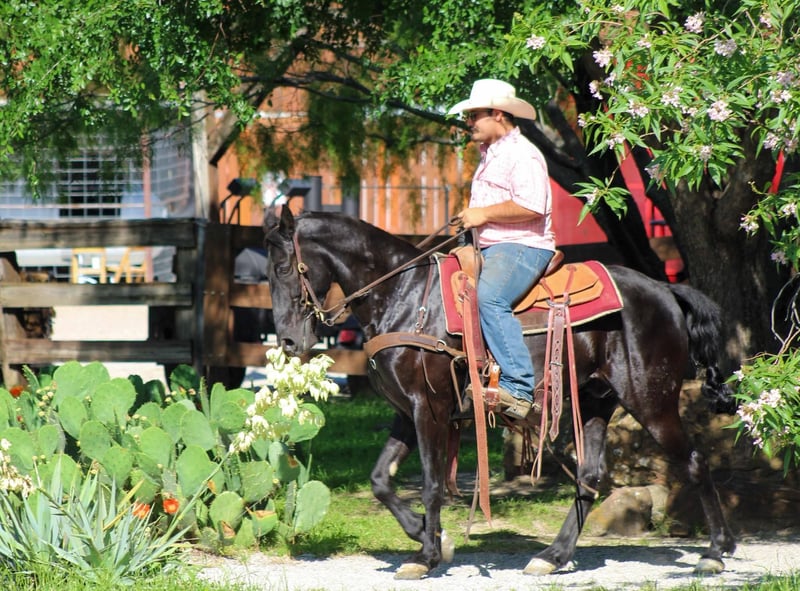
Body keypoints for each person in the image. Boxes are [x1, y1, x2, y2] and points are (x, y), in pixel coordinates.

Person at [448, 79, 556, 420]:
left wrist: (482, 214)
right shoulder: (489, 156)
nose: (469, 122)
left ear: (497, 113)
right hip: (493, 247)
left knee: (490, 298)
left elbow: (532, 205)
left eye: (474, 115)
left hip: (523, 246)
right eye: (468, 116)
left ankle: (519, 388)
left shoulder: (522, 153)